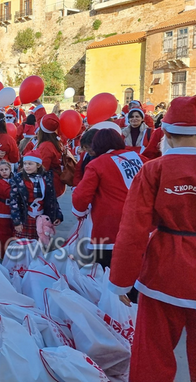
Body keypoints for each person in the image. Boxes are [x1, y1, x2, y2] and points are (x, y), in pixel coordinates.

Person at [109, 95, 196, 382]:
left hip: (163, 272)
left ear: (166, 133)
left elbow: (133, 230)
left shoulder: (153, 170)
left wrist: (121, 280)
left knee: (152, 352)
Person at [72, 128, 146, 267]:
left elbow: (81, 196)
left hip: (110, 226)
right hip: (142, 222)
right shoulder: (140, 158)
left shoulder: (98, 164)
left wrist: (79, 212)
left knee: (106, 271)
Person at [9, 149, 63, 240]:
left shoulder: (46, 178)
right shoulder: (18, 179)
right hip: (25, 217)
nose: (26, 166)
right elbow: (14, 201)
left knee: (39, 243)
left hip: (41, 216)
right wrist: (17, 221)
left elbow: (52, 198)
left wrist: (57, 214)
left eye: (30, 164)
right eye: (25, 163)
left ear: (38, 165)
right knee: (24, 245)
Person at [35, 113, 65, 197]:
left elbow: (42, 168)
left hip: (49, 186)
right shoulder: (57, 141)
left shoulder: (46, 146)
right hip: (56, 183)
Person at [0, 160, 15, 258]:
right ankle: (3, 254)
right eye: (2, 170)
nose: (4, 172)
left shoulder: (13, 180)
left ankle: (11, 252)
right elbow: (8, 193)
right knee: (3, 233)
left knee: (12, 232)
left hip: (12, 209)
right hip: (2, 210)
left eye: (6, 169)